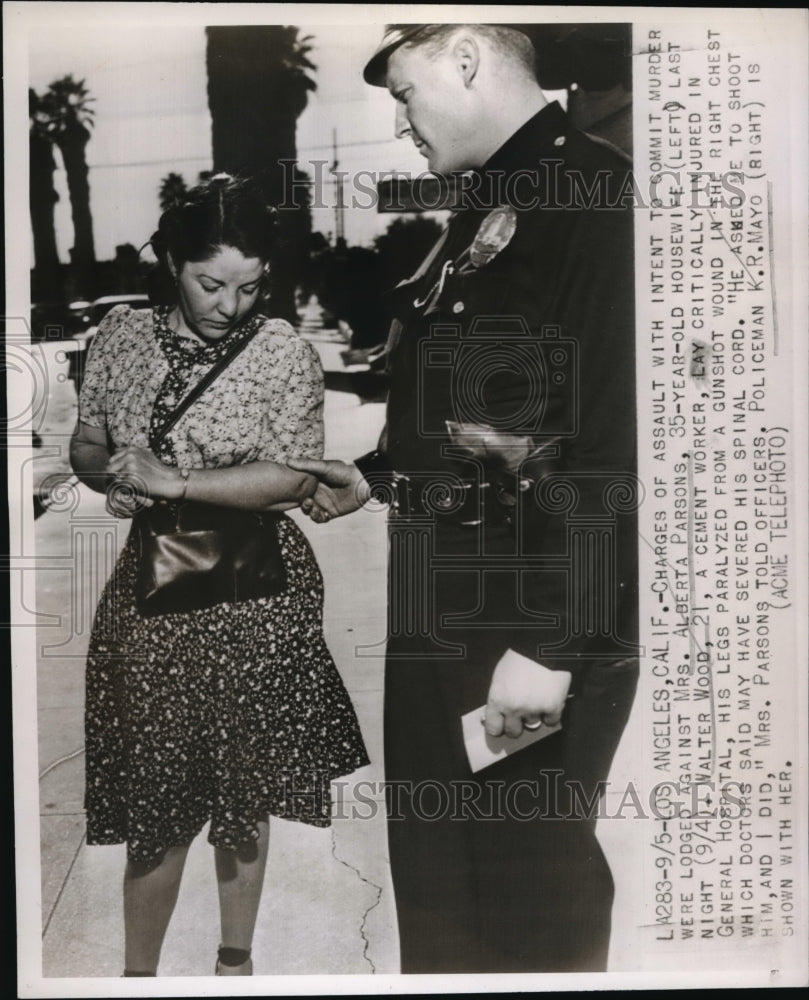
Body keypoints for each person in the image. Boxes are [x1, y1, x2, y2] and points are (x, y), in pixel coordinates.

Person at [289, 24, 639, 973]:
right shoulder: (487, 205)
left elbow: (611, 445)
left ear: (467, 58)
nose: (400, 121)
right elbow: (474, 415)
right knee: (446, 894)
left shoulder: (589, 194)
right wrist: (377, 474)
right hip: (446, 608)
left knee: (530, 893)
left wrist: (555, 649)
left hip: (528, 621)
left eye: (404, 92)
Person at [69, 175, 369, 977]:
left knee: (243, 796)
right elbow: (87, 446)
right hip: (153, 592)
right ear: (171, 262)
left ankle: (233, 967)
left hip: (257, 593)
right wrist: (118, 472)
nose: (231, 304)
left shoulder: (281, 353)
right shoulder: (118, 338)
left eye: (251, 285)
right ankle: (139, 978)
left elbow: (293, 479)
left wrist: (178, 483)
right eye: (211, 283)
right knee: (158, 802)